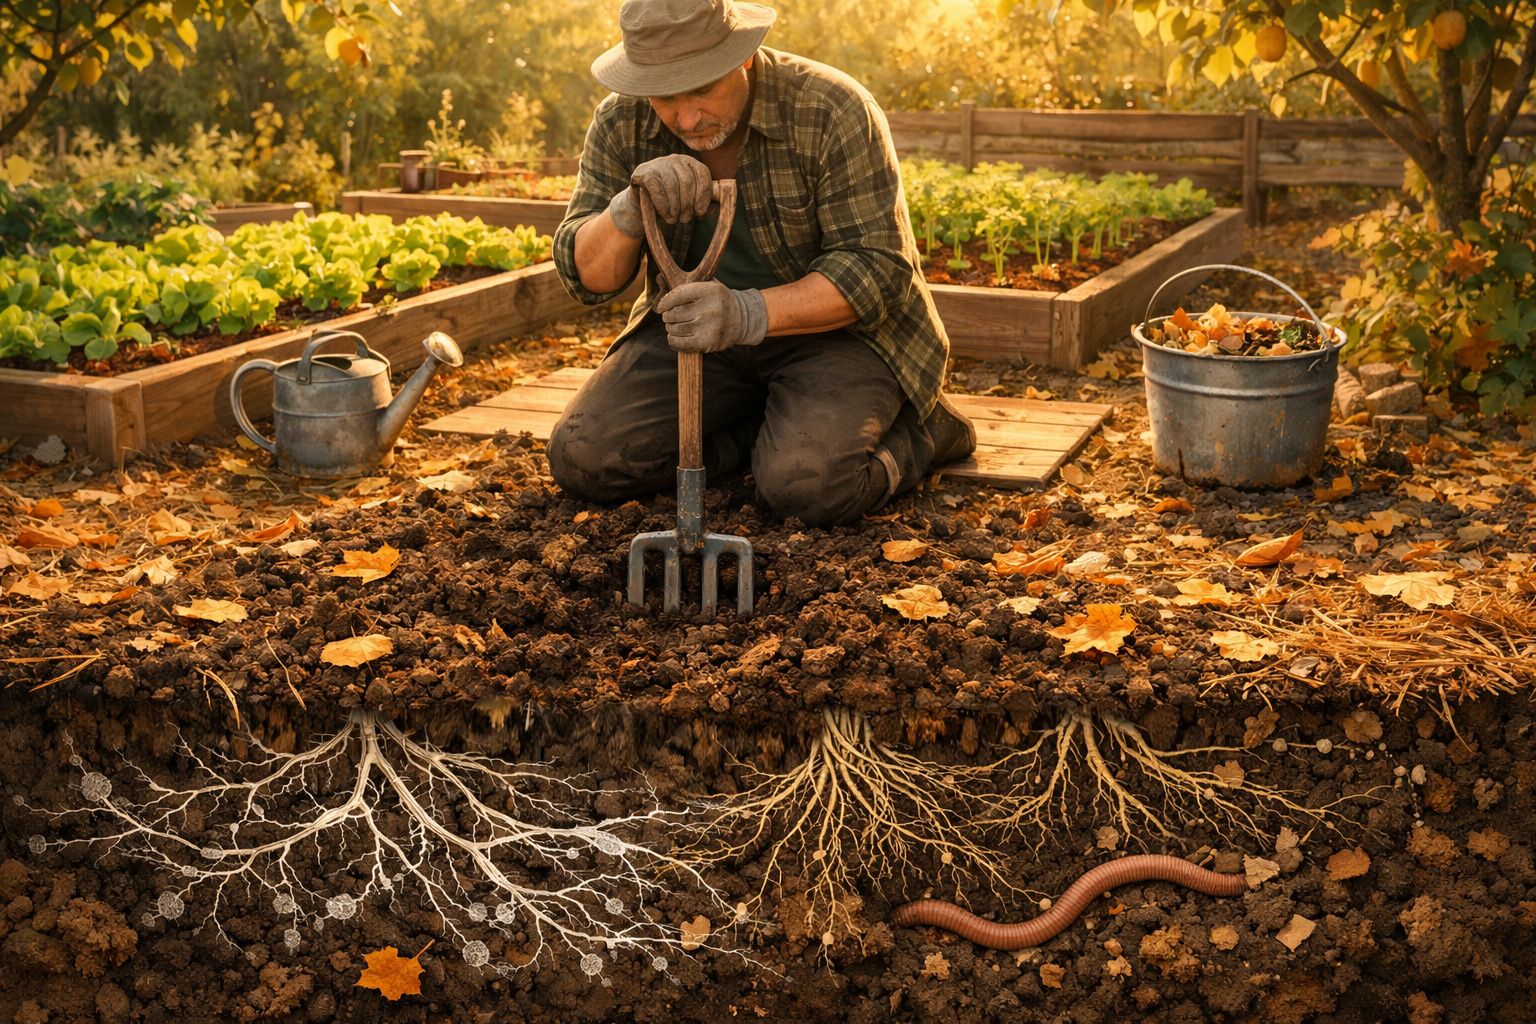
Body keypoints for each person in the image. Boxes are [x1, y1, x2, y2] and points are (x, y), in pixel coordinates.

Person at [547, 0, 975, 527]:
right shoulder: (620, 120)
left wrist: (745, 314)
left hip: (836, 337)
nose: (686, 118)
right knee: (585, 460)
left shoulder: (831, 107)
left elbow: (877, 269)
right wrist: (626, 213)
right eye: (664, 97)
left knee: (809, 490)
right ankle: (764, 431)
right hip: (697, 337)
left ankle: (927, 431)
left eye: (703, 88)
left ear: (742, 59)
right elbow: (586, 278)